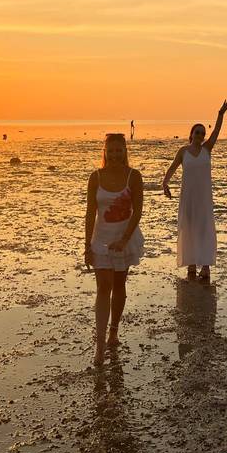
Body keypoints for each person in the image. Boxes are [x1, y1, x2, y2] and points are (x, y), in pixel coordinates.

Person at [85, 133, 144, 366]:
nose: (115, 155)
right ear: (105, 152)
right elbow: (91, 213)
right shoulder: (95, 177)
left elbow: (137, 211)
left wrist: (124, 239)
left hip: (125, 238)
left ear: (125, 151)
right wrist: (87, 245)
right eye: (111, 151)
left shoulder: (134, 176)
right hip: (101, 239)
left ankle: (114, 331)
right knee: (103, 288)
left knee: (119, 286)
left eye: (119, 150)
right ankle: (99, 346)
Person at [162, 100, 227, 281]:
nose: (200, 135)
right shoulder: (183, 151)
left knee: (204, 228)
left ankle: (206, 266)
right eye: (197, 132)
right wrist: (165, 183)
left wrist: (220, 114)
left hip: (204, 197)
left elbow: (216, 132)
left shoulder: (207, 149)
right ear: (191, 134)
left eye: (202, 133)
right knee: (189, 227)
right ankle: (191, 264)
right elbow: (172, 168)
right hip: (188, 197)